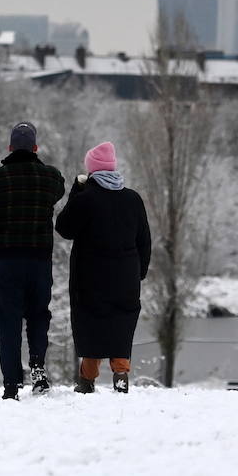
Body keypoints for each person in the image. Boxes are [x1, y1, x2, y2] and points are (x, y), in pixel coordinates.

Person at [0, 121, 66, 400]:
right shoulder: (50, 177)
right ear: (35, 148)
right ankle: (37, 370)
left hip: (7, 259)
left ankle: (12, 382)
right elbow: (59, 191)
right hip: (39, 260)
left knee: (8, 321)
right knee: (38, 316)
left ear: (9, 148)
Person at [55, 141, 151, 394]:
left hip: (91, 275)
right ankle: (120, 374)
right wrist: (140, 271)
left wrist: (76, 191)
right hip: (126, 275)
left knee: (91, 322)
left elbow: (64, 228)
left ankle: (87, 380)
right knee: (121, 321)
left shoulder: (86, 199)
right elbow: (144, 239)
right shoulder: (133, 199)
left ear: (92, 172)